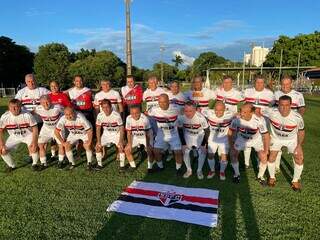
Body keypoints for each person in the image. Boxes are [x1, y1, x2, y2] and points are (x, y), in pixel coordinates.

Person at [266, 95, 305, 190]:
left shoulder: (297, 117)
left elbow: (301, 131)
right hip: (276, 138)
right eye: (281, 105)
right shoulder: (271, 112)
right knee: (271, 157)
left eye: (287, 105)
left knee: (299, 158)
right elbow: (256, 111)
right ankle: (272, 177)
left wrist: (299, 145)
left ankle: (295, 180)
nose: (284, 108)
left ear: (291, 105)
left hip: (292, 140)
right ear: (278, 105)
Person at [228, 103, 270, 184]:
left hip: (256, 140)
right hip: (242, 139)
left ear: (251, 113)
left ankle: (260, 176)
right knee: (233, 154)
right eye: (241, 111)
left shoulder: (259, 121)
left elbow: (266, 136)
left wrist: (266, 150)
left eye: (245, 112)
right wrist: (231, 147)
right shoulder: (236, 119)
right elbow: (230, 132)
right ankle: (237, 174)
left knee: (263, 156)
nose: (241, 114)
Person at [274, 75, 306, 172]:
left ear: (291, 83)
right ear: (280, 84)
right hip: (278, 124)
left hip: (292, 125)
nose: (285, 86)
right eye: (283, 84)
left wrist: (296, 118)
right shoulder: (276, 94)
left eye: (287, 84)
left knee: (295, 148)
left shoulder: (298, 95)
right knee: (277, 145)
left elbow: (302, 108)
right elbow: (271, 107)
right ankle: (276, 167)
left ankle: (296, 170)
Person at [243, 75, 275, 168]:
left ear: (264, 83)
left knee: (260, 142)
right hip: (249, 120)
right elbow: (241, 101)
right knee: (247, 139)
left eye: (261, 82)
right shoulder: (247, 91)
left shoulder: (269, 94)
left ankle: (258, 162)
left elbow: (272, 107)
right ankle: (246, 163)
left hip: (263, 120)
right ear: (254, 82)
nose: (259, 84)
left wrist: (262, 111)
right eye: (257, 82)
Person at [0, 99, 39, 171]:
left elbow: (35, 128)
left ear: (20, 106)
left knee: (33, 147)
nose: (14, 109)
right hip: (14, 136)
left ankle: (35, 164)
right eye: (12, 107)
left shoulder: (27, 115)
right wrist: (1, 143)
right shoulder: (5, 117)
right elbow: (0, 130)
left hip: (28, 135)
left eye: (16, 107)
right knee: (2, 150)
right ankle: (12, 166)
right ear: (9, 107)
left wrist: (34, 141)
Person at [148, 94, 183, 174]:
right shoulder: (154, 110)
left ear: (168, 101)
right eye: (160, 102)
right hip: (161, 133)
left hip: (173, 132)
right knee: (156, 151)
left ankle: (178, 168)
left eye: (164, 102)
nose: (162, 104)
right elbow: (147, 113)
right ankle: (160, 167)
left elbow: (184, 112)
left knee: (178, 152)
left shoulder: (176, 108)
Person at [202, 102, 234, 180]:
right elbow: (198, 110)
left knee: (224, 157)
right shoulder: (208, 113)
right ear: (213, 109)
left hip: (224, 139)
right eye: (216, 110)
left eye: (220, 110)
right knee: (210, 156)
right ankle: (212, 171)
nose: (218, 112)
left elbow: (240, 115)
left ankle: (222, 172)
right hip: (212, 139)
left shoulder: (230, 115)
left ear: (225, 109)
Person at [178, 101, 209, 179]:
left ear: (195, 110)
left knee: (202, 152)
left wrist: (203, 145)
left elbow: (207, 131)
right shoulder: (181, 117)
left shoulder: (201, 117)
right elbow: (180, 130)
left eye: (190, 111)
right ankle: (189, 169)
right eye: (186, 111)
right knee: (185, 151)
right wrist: (183, 144)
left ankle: (199, 170)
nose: (188, 113)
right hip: (188, 134)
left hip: (199, 135)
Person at [35, 95, 64, 169]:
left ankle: (61, 162)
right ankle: (43, 163)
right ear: (40, 103)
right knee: (40, 144)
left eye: (47, 102)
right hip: (46, 129)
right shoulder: (38, 108)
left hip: (57, 128)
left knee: (61, 145)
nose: (46, 104)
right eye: (43, 103)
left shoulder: (58, 107)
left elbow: (67, 111)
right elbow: (30, 112)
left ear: (51, 101)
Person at [95, 99, 125, 171]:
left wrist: (121, 140)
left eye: (107, 107)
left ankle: (122, 166)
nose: (106, 109)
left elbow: (121, 128)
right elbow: (98, 128)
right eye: (104, 107)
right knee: (97, 147)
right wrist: (98, 141)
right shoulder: (100, 115)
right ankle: (99, 165)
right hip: (106, 134)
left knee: (120, 147)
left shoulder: (116, 115)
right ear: (101, 108)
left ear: (111, 106)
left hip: (116, 133)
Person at [124, 105, 153, 171]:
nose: (134, 115)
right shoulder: (128, 118)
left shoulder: (145, 118)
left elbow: (147, 133)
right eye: (132, 113)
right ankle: (133, 166)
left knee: (149, 150)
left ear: (140, 112)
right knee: (127, 149)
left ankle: (150, 167)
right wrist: (130, 144)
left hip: (146, 136)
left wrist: (148, 145)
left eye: (137, 113)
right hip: (135, 136)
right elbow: (128, 133)